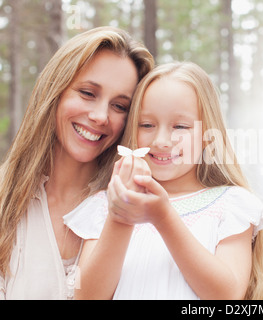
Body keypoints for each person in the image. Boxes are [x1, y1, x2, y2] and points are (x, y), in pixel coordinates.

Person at [73, 61, 263, 300]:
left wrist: (164, 217)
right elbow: (87, 296)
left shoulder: (230, 205)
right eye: (147, 125)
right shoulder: (104, 205)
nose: (161, 141)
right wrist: (121, 216)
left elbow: (227, 295)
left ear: (208, 135)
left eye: (180, 126)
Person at [0, 26, 154, 300]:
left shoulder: (142, 210)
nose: (100, 116)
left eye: (119, 106)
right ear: (55, 91)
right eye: (87, 93)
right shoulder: (5, 196)